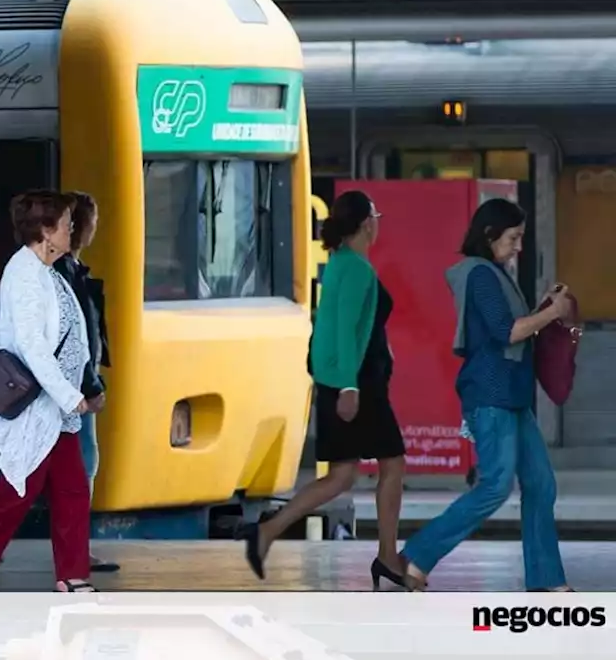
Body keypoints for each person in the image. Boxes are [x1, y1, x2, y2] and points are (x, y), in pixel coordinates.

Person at [400, 198, 574, 592]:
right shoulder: (479, 274)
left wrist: (545, 306)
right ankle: (418, 555)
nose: (518, 247)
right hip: (491, 395)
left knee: (541, 483)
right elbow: (506, 332)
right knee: (495, 485)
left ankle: (546, 579)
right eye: (513, 238)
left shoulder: (495, 273)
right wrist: (551, 313)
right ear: (490, 235)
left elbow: (511, 325)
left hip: (512, 396)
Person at [239, 190, 406, 588]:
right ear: (368, 223)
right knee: (392, 464)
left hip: (349, 380)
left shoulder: (342, 264)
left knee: (343, 475)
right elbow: (345, 331)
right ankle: (386, 555)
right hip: (357, 384)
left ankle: (267, 532)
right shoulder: (356, 269)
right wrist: (350, 385)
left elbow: (350, 326)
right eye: (377, 216)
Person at [0, 191, 99, 593]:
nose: (72, 230)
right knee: (17, 491)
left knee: (72, 490)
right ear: (46, 231)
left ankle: (72, 576)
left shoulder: (47, 270)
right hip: (38, 406)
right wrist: (70, 395)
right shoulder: (25, 273)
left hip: (55, 410)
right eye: (66, 224)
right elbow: (32, 344)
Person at [51, 192, 118, 574]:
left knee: (73, 468)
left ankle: (75, 547)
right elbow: (79, 338)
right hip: (73, 386)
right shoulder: (67, 274)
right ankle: (75, 550)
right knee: (82, 466)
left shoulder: (71, 270)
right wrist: (92, 386)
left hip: (74, 383)